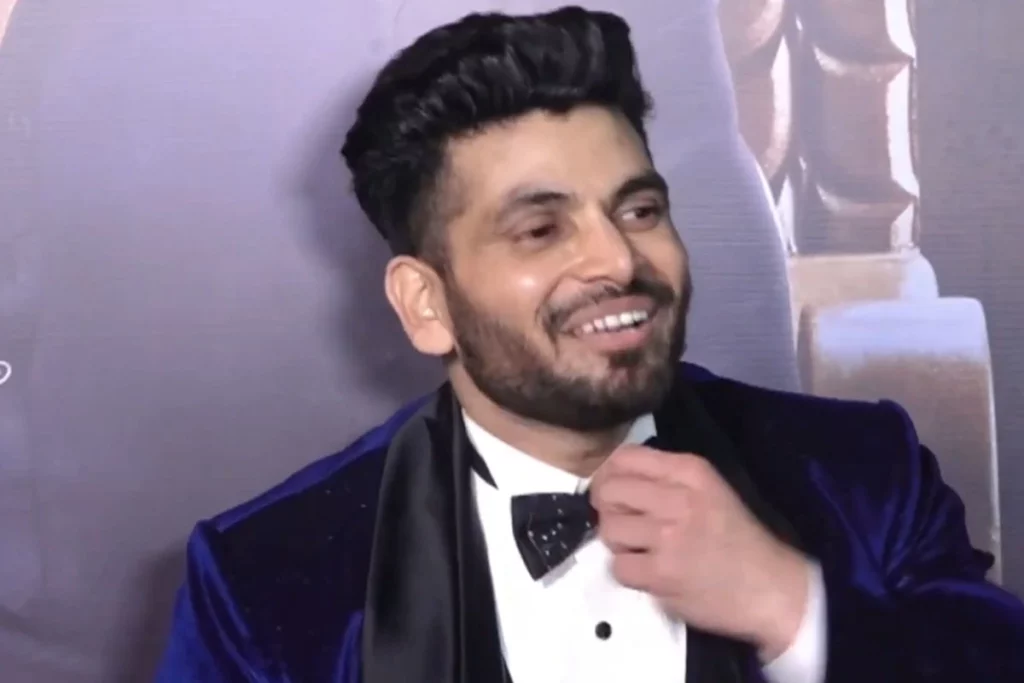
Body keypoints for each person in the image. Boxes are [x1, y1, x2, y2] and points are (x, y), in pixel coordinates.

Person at [154, 6, 1024, 682]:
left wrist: (793, 607)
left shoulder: (866, 473)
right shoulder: (264, 575)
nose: (617, 259)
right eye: (540, 229)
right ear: (427, 304)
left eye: (639, 209)